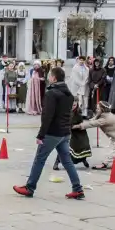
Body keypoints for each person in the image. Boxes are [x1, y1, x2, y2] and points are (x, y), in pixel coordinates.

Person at [14, 66, 85, 199]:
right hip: (65, 132)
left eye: (50, 76)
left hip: (53, 132)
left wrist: (41, 134)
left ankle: (30, 187)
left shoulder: (51, 93)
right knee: (67, 161)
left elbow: (47, 116)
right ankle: (78, 188)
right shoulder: (69, 94)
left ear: (53, 78)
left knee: (39, 159)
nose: (48, 78)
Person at [53, 96, 91, 170]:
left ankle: (83, 159)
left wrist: (77, 126)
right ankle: (57, 162)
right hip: (67, 132)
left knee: (83, 145)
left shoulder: (78, 112)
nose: (72, 107)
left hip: (79, 132)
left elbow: (81, 122)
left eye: (74, 105)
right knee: (65, 147)